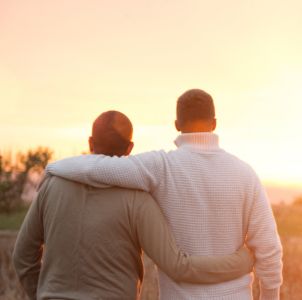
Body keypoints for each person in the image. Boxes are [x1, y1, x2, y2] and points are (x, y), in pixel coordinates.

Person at [46, 89, 283, 299]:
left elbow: (100, 168)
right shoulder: (245, 174)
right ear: (214, 123)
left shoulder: (161, 166)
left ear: (177, 124)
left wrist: (54, 167)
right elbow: (269, 249)